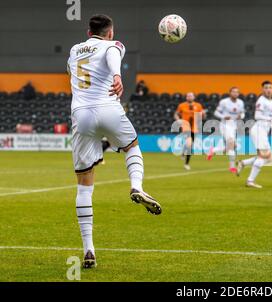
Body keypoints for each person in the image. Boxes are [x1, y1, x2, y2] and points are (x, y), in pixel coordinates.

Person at [67, 14, 162, 269]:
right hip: (108, 106)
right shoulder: (114, 45)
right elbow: (112, 56)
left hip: (82, 114)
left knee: (84, 184)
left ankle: (88, 249)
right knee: (132, 147)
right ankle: (136, 186)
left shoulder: (75, 50)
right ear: (110, 32)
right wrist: (118, 76)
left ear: (89, 32)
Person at [236, 81, 272, 188]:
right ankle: (250, 181)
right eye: (266, 87)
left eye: (270, 87)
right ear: (262, 89)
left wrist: (271, 124)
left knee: (268, 157)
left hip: (263, 131)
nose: (268, 89)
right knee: (263, 156)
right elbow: (257, 115)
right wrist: (271, 121)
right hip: (259, 130)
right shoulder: (261, 100)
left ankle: (243, 163)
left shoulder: (270, 101)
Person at [207, 87, 245, 174]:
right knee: (231, 144)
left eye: (237, 92)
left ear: (238, 94)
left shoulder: (241, 102)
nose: (235, 93)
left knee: (233, 146)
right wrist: (223, 117)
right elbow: (216, 113)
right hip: (225, 125)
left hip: (233, 126)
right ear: (230, 93)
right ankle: (232, 167)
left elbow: (242, 113)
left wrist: (241, 116)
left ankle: (214, 150)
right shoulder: (224, 102)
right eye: (233, 92)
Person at [174, 92, 206, 170]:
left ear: (194, 97)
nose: (189, 97)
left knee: (190, 145)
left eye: (191, 96)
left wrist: (203, 114)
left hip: (195, 128)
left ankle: (183, 152)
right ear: (186, 97)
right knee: (189, 143)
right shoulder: (181, 105)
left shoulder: (198, 106)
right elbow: (176, 114)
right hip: (185, 127)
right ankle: (186, 164)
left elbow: (203, 116)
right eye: (188, 96)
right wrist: (178, 120)